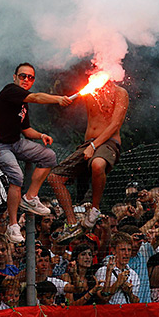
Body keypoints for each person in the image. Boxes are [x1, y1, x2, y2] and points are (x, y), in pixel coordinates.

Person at [0, 63, 73, 244]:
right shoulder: (11, 90)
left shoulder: (23, 103)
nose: (26, 80)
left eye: (30, 77)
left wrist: (41, 135)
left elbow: (27, 130)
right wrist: (58, 99)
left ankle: (30, 198)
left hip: (14, 142)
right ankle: (13, 225)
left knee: (49, 157)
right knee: (17, 175)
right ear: (15, 77)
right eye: (23, 76)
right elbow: (38, 97)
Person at [48, 78, 130, 240]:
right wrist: (60, 99)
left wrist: (94, 147)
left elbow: (115, 125)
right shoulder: (91, 89)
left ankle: (95, 209)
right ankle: (71, 222)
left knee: (98, 164)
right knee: (54, 177)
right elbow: (68, 93)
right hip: (88, 143)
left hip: (108, 143)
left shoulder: (120, 93)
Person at [94, 233, 140, 305]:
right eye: (123, 250)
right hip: (109, 313)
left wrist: (129, 292)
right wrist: (117, 283)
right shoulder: (103, 271)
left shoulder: (133, 274)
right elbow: (102, 300)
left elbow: (135, 302)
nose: (127, 253)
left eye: (129, 250)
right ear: (113, 251)